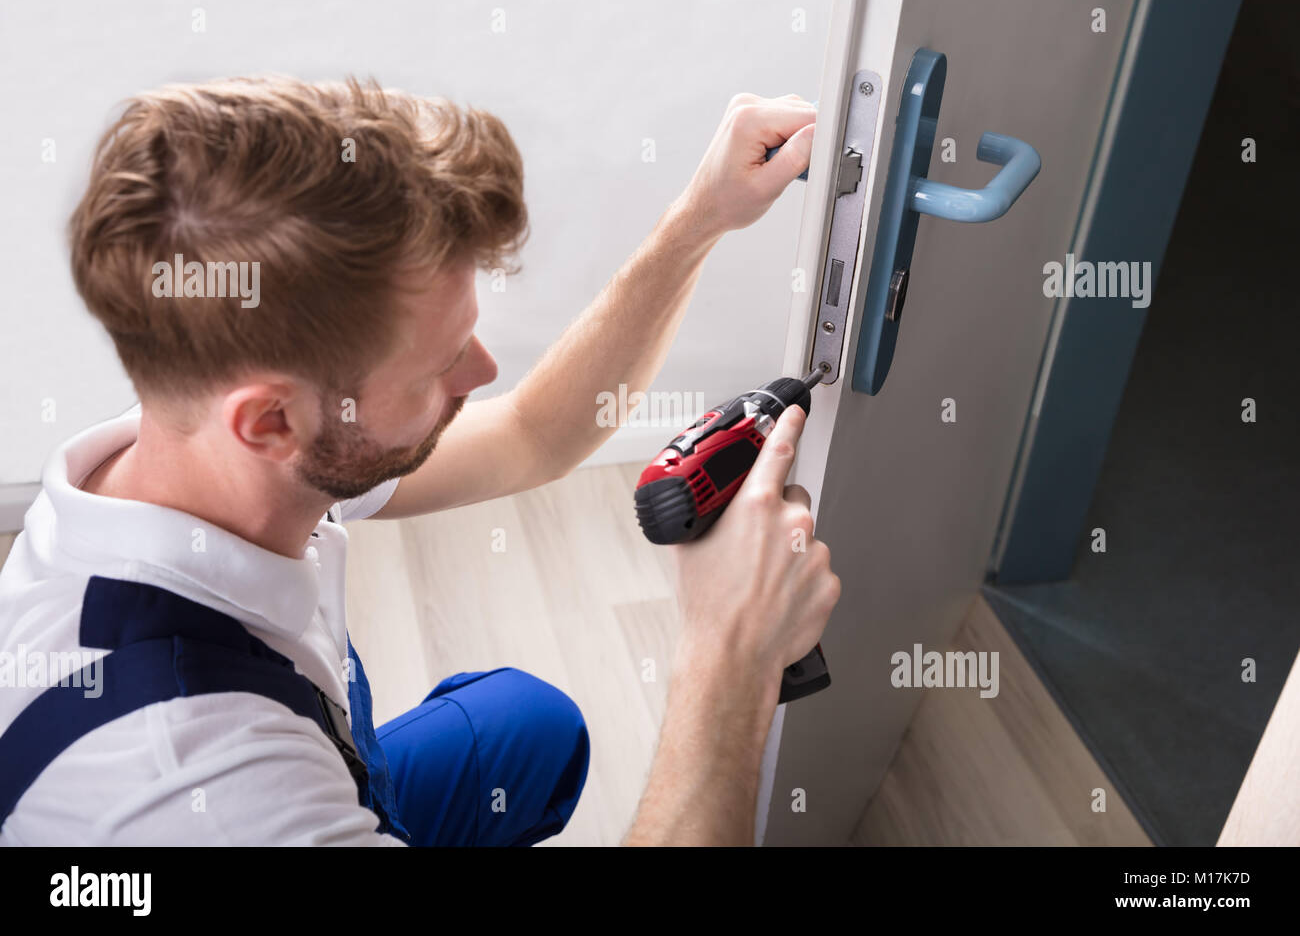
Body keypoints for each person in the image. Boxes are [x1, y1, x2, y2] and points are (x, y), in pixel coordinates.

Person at [0, 75, 839, 846]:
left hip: (321, 744)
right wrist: (732, 656)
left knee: (530, 729)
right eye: (439, 365)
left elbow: (535, 436)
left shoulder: (207, 448)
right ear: (271, 422)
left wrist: (699, 220)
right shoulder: (209, 796)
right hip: (260, 779)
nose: (482, 372)